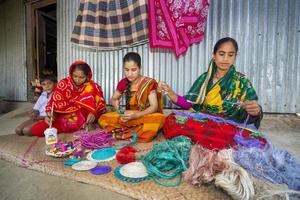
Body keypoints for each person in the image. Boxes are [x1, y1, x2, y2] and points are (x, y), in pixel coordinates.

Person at [158, 37, 266, 149]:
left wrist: (256, 111)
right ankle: (220, 142)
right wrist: (170, 92)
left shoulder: (242, 81)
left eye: (230, 55)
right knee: (172, 120)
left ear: (235, 57)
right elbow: (189, 104)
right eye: (221, 54)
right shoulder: (205, 79)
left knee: (256, 139)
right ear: (214, 55)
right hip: (206, 122)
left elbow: (251, 110)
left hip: (230, 124)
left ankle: (212, 140)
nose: (225, 59)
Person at [98, 52, 166, 143]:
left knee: (158, 119)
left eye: (133, 70)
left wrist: (137, 115)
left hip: (145, 115)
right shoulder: (123, 83)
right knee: (103, 118)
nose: (129, 74)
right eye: (126, 70)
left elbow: (154, 107)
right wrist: (119, 109)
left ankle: (125, 132)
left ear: (140, 68)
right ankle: (134, 131)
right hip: (129, 117)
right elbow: (113, 99)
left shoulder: (149, 83)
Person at [31, 60, 106, 137]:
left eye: (81, 77)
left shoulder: (93, 86)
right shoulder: (64, 83)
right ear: (71, 73)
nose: (77, 79)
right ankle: (79, 127)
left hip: (83, 116)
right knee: (36, 129)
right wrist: (50, 114)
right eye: (75, 76)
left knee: (87, 113)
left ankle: (83, 125)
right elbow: (53, 103)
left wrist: (93, 112)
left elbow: (100, 104)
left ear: (87, 76)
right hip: (64, 116)